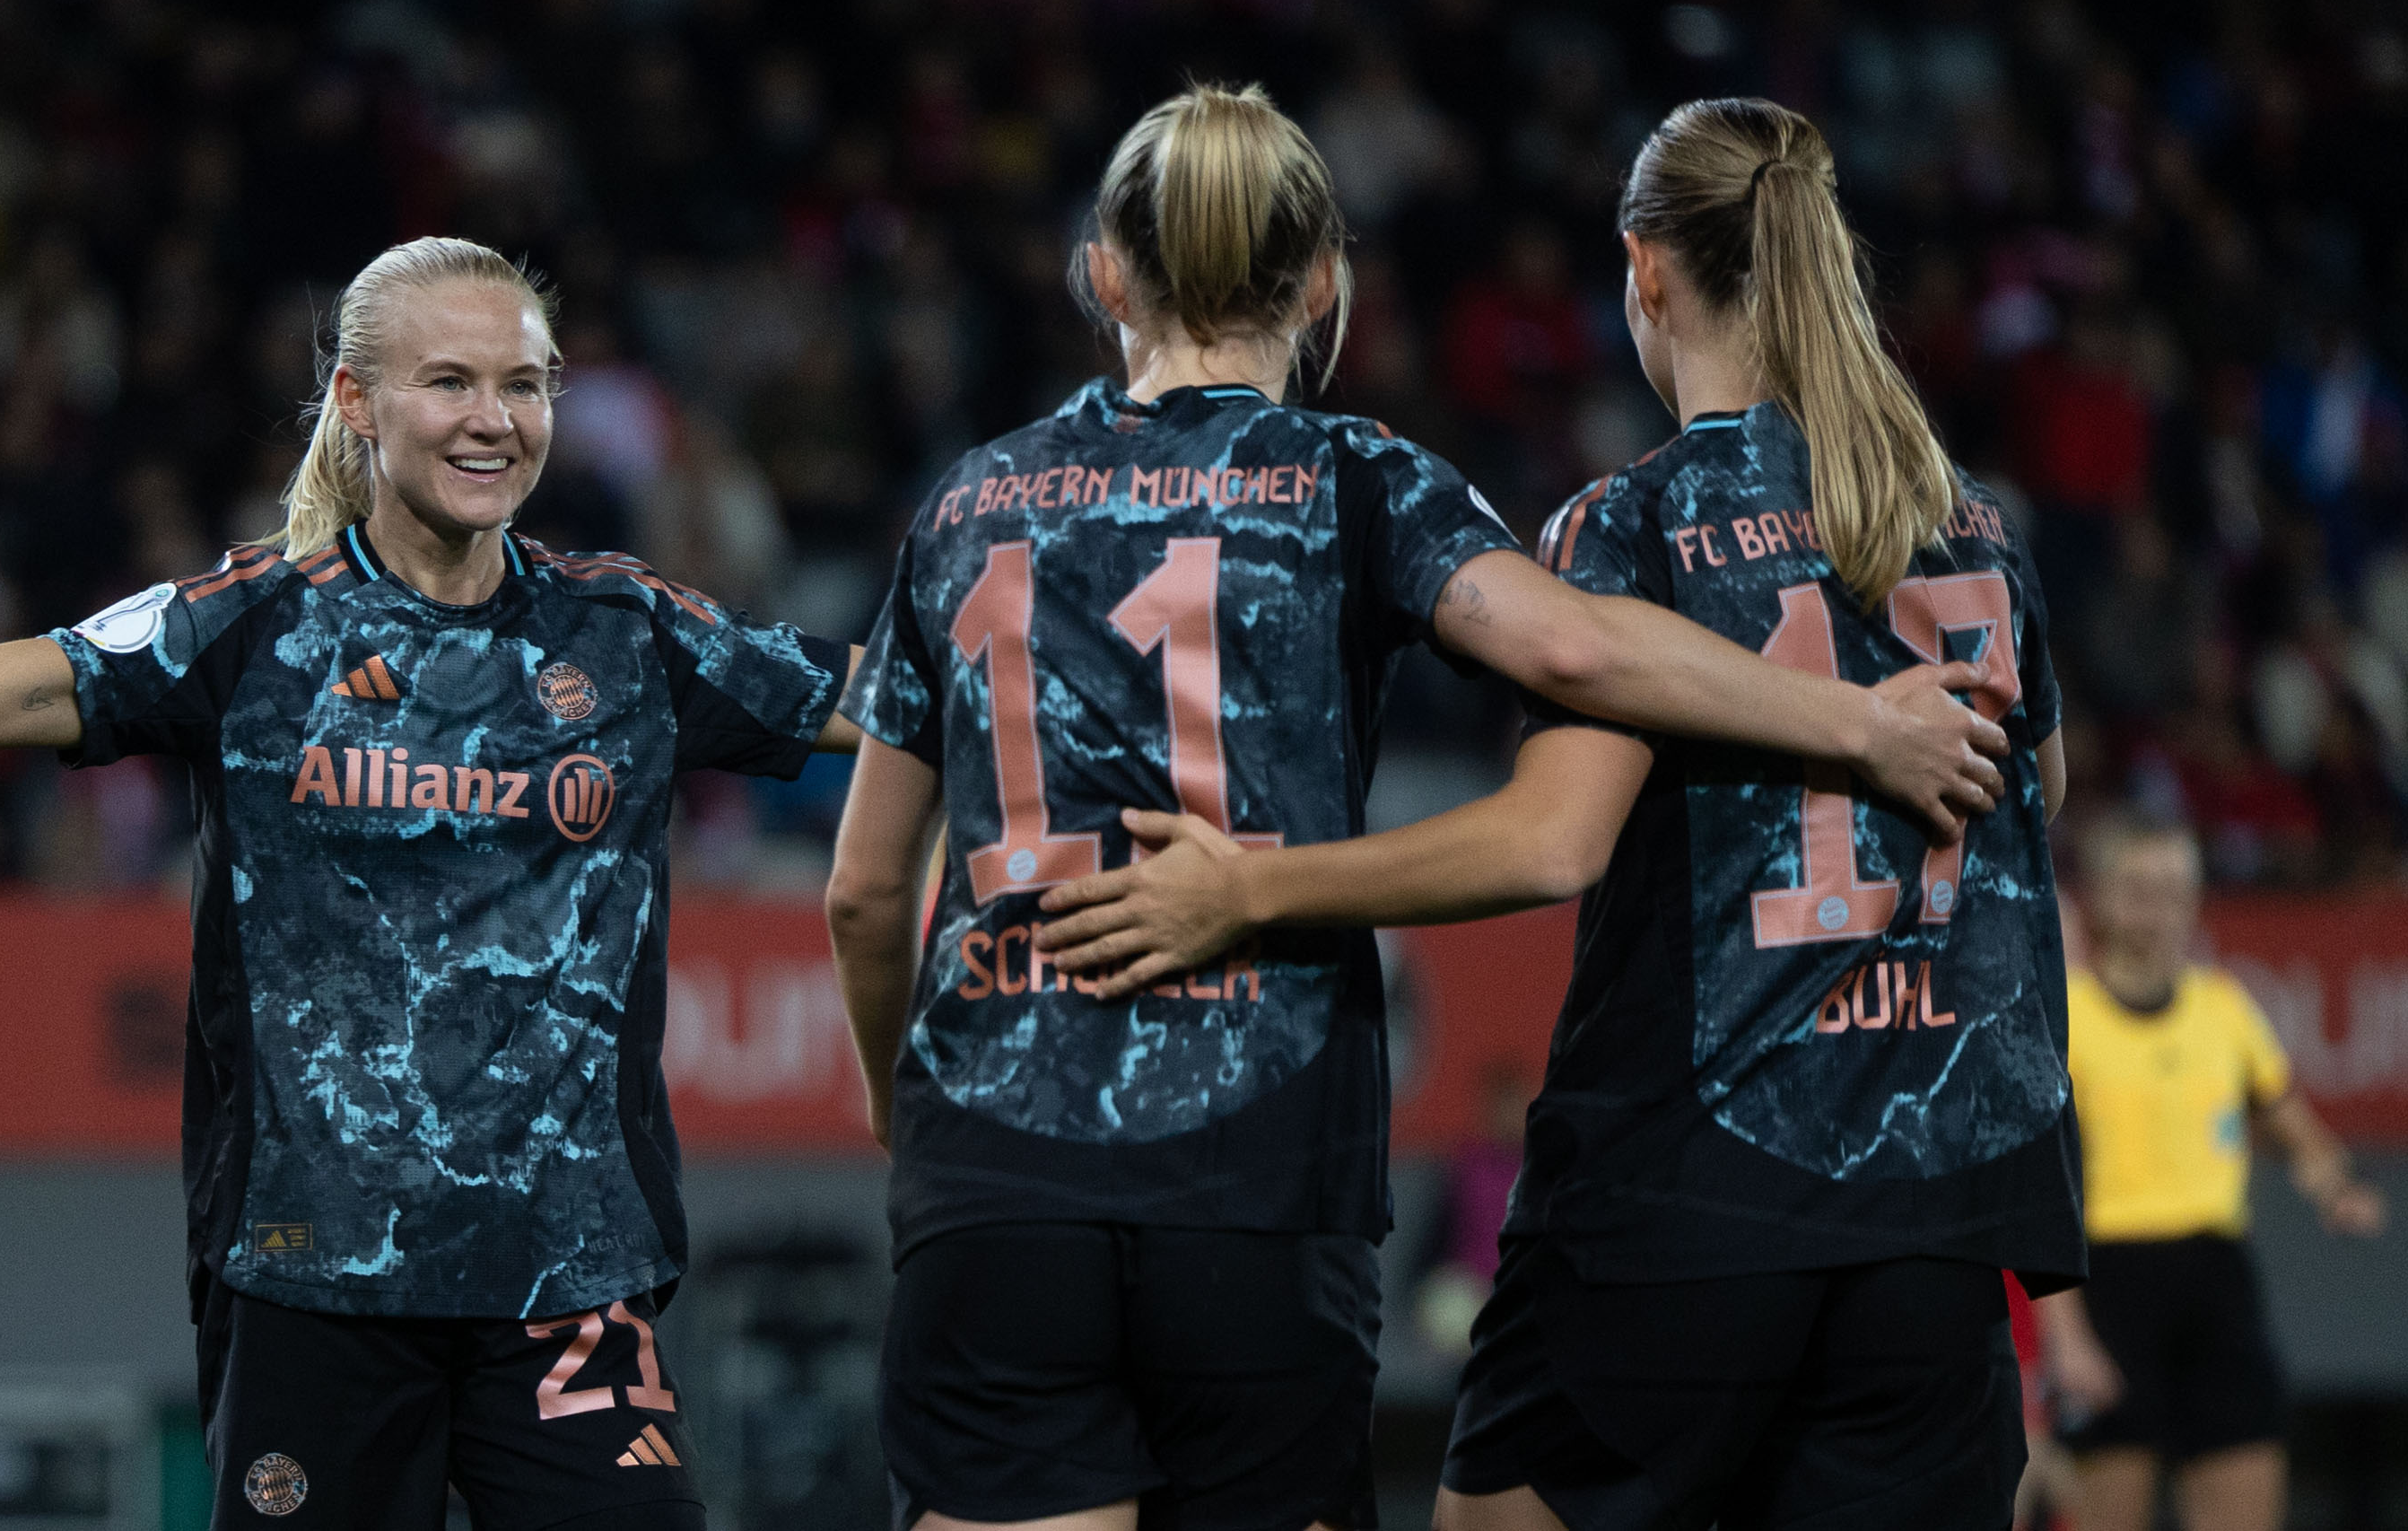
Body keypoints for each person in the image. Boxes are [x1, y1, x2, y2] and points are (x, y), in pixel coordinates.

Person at [823, 85, 2008, 1531]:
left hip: (993, 1169)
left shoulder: (964, 502)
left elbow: (864, 890)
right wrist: (1853, 719)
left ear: (1106, 272)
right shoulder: (1354, 478)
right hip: (1256, 1168)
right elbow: (1570, 644)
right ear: (1325, 282)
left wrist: (902, 1101)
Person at [0, 236, 861, 1530]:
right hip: (313, 1281)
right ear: (357, 406)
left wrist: (1086, 628)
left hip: (571, 1279)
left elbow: (905, 703)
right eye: (451, 382)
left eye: (524, 385)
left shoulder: (630, 629)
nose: (494, 419)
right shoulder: (244, 626)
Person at [2037, 816, 2386, 1531]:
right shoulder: (2066, 1019)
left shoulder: (2223, 1010)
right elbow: (2036, 1195)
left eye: (2173, 891)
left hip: (2217, 1284)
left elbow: (2301, 1134)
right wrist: (2066, 1339)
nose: (2158, 910)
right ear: (2099, 899)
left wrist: (2331, 1185)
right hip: (2110, 1286)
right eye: (2138, 890)